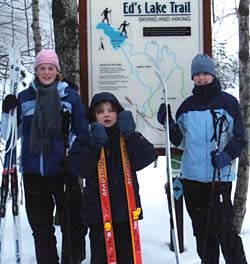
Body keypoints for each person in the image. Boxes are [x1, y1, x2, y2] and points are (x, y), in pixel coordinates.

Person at [157, 54, 248, 264]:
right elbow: (181, 142)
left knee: (225, 232)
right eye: (197, 74)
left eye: (205, 73)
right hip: (193, 180)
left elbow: (240, 139)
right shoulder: (187, 107)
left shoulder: (228, 103)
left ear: (213, 74)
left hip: (219, 179)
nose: (201, 77)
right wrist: (168, 124)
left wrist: (226, 156)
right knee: (203, 232)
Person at [1, 49, 88, 264]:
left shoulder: (70, 97)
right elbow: (8, 135)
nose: (46, 72)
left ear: (57, 71)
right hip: (33, 173)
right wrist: (6, 112)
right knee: (41, 231)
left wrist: (73, 155)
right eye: (42, 68)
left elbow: (81, 130)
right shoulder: (24, 98)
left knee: (73, 226)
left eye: (51, 68)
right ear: (36, 70)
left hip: (63, 171)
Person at [67, 92, 157, 263]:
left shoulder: (126, 134)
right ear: (93, 115)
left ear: (119, 113)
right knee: (101, 257)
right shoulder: (86, 138)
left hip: (126, 210)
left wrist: (131, 136)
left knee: (127, 256)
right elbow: (80, 168)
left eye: (111, 110)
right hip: (98, 212)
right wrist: (94, 146)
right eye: (100, 111)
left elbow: (146, 157)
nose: (106, 115)